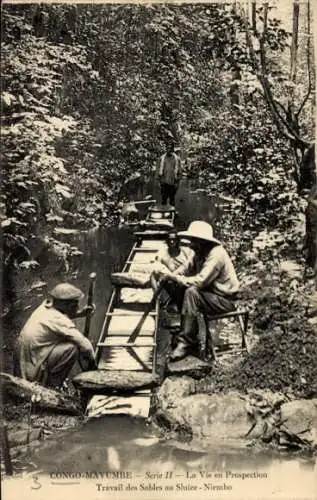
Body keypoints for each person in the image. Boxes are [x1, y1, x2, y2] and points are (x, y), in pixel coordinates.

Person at [159, 221, 240, 361]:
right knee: (175, 285)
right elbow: (185, 268)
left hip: (224, 301)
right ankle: (189, 330)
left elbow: (201, 281)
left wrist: (175, 277)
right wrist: (169, 277)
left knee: (191, 292)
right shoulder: (199, 251)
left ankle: (186, 342)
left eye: (193, 240)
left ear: (202, 241)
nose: (190, 244)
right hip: (210, 295)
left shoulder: (216, 254)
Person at [18, 283, 96, 388]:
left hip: (26, 357)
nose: (77, 307)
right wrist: (93, 366)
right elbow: (85, 345)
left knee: (64, 340)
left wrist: (80, 313)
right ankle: (53, 387)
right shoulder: (59, 320)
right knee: (72, 348)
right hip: (32, 364)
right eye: (74, 306)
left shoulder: (46, 306)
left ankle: (46, 380)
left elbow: (59, 318)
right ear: (66, 306)